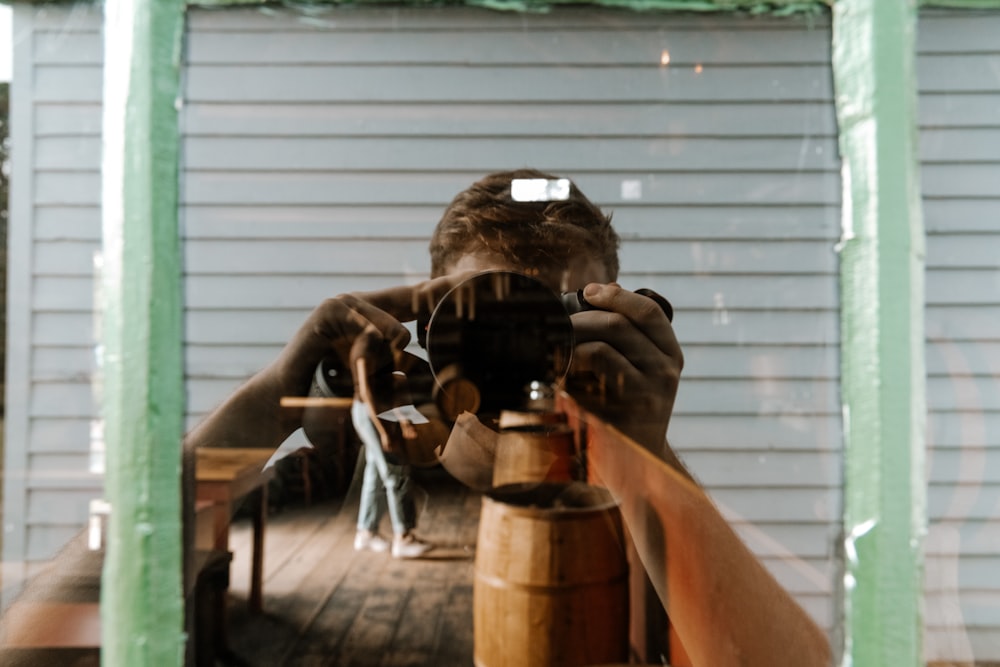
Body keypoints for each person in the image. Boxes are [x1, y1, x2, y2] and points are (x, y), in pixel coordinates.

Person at [183, 168, 832, 666]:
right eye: (490, 317)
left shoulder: (638, 509)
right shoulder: (328, 482)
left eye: (552, 319)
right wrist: (276, 394)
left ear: (607, 323)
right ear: (427, 321)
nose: (519, 346)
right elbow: (103, 603)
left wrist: (645, 452)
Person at [349, 357, 432, 558]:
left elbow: (395, 391)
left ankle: (366, 532)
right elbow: (368, 395)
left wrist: (404, 422)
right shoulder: (368, 346)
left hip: (379, 413)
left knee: (375, 473)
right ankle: (402, 538)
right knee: (395, 472)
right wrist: (384, 432)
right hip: (370, 414)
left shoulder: (388, 351)